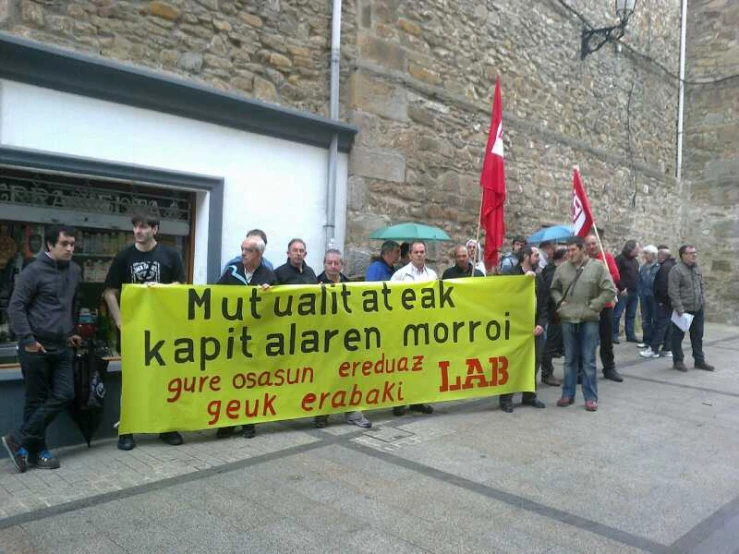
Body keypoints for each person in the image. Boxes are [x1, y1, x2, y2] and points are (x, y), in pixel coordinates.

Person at [103, 213, 186, 451]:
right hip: (134, 331)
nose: (138, 231)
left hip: (163, 329)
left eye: (143, 227)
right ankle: (127, 429)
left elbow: (181, 286)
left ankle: (166, 426)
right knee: (131, 381)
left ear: (155, 229)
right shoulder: (124, 256)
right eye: (135, 227)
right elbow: (110, 292)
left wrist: (164, 288)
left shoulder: (171, 255)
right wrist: (120, 322)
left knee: (164, 378)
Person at [2, 225, 82, 473]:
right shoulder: (33, 271)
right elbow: (16, 307)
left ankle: (18, 439)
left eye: (72, 244)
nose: (70, 248)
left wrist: (71, 332)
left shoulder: (76, 270)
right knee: (35, 400)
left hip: (61, 346)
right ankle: (38, 452)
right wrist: (28, 339)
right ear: (49, 245)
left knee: (65, 394)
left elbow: (72, 304)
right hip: (35, 345)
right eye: (64, 244)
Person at [216, 234, 277, 439]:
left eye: (248, 250)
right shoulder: (231, 271)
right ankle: (227, 422)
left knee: (250, 381)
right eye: (242, 248)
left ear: (259, 253)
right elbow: (215, 296)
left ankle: (248, 422)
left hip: (255, 339)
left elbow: (276, 310)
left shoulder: (269, 276)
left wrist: (271, 294)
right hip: (232, 337)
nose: (243, 253)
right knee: (230, 380)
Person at [551, 237, 614, 412]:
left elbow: (610, 290)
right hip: (568, 318)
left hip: (589, 320)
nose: (569, 254)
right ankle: (567, 394)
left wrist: (595, 305)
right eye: (568, 250)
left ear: (582, 250)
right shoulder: (562, 269)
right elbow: (554, 288)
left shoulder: (597, 267)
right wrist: (559, 301)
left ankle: (591, 398)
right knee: (569, 360)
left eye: (573, 250)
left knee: (588, 361)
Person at [275, 239, 328, 428]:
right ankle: (284, 407)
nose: (298, 253)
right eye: (295, 250)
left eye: (302, 250)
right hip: (288, 332)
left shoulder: (310, 272)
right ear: (288, 253)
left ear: (305, 254)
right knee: (289, 372)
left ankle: (315, 411)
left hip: (308, 332)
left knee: (311, 372)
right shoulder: (279, 273)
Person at [317, 249, 372, 429]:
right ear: (324, 264)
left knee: (349, 376)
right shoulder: (314, 284)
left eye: (337, 263)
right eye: (330, 263)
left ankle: (353, 412)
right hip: (325, 340)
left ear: (342, 265)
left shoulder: (349, 285)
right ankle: (321, 414)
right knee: (325, 377)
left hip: (347, 341)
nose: (333, 266)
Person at [499, 246, 547, 412]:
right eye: (535, 255)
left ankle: (529, 395)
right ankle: (506, 398)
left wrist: (541, 323)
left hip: (534, 328)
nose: (538, 258)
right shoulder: (511, 274)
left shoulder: (539, 278)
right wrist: (522, 282)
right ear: (526, 257)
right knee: (512, 362)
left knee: (535, 360)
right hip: (514, 327)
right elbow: (504, 297)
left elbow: (543, 305)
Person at [391, 241, 435, 416]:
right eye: (416, 252)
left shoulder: (432, 275)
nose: (419, 254)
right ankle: (399, 401)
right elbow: (391, 300)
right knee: (403, 365)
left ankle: (418, 400)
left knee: (422, 364)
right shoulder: (400, 275)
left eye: (422, 251)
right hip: (405, 327)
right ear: (410, 255)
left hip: (425, 327)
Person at [668, 245, 714, 372]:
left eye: (695, 252)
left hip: (697, 309)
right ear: (683, 255)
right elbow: (673, 291)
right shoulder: (676, 270)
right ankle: (678, 361)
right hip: (683, 310)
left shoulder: (696, 269)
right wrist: (679, 309)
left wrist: (702, 302)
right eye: (690, 253)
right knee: (677, 337)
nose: (694, 255)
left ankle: (699, 361)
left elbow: (701, 286)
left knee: (698, 336)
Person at [584, 233, 623, 383]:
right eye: (589, 244)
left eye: (594, 243)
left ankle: (609, 368)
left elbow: (615, 276)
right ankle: (585, 369)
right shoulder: (583, 260)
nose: (592, 246)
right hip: (587, 306)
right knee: (587, 340)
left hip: (605, 305)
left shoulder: (607, 258)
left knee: (606, 340)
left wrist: (600, 278)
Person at [641, 246, 675, 358]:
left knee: (660, 325)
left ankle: (654, 349)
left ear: (663, 256)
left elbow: (663, 286)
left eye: (658, 255)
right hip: (669, 301)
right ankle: (667, 348)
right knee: (667, 325)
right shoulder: (672, 266)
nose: (657, 257)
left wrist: (661, 300)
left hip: (663, 302)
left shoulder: (665, 267)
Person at [540, 246, 567, 386]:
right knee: (550, 345)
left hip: (557, 313)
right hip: (553, 314)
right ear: (562, 258)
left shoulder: (555, 270)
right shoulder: (552, 272)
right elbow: (551, 293)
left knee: (554, 344)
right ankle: (546, 373)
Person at [613, 240, 641, 344]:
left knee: (631, 314)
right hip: (623, 291)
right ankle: (614, 335)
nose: (639, 250)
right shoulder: (620, 259)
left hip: (634, 291)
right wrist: (621, 287)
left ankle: (630, 335)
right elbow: (616, 275)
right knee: (617, 313)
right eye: (637, 248)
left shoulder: (635, 261)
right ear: (631, 249)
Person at [637, 245, 659, 350]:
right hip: (644, 297)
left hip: (654, 297)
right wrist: (640, 293)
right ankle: (646, 340)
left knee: (655, 319)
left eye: (647, 254)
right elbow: (639, 281)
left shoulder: (658, 267)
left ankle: (654, 342)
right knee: (645, 319)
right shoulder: (643, 267)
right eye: (644, 253)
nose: (645, 256)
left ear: (653, 255)